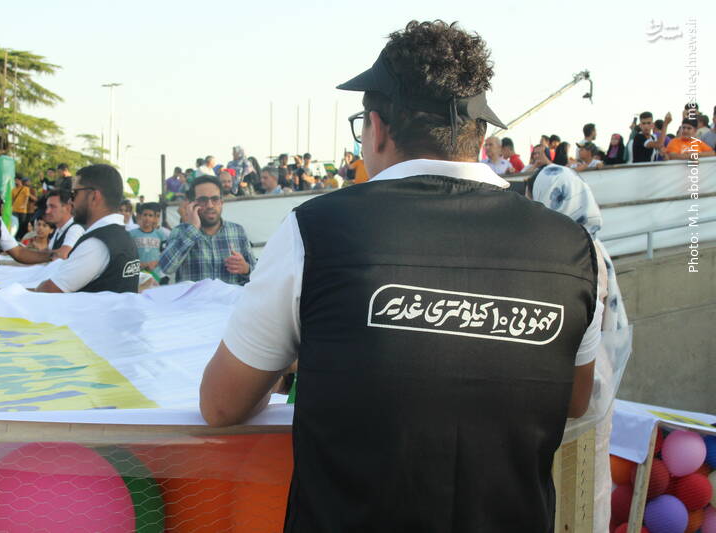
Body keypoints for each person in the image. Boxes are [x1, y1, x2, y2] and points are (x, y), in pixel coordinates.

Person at [199, 20, 601, 532]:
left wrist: (298, 366)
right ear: (480, 135)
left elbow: (221, 404)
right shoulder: (573, 248)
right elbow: (575, 398)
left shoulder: (316, 231)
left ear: (378, 128)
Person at [527, 165, 630, 533]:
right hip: (594, 380)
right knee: (588, 485)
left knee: (571, 490)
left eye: (533, 202)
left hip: (578, 381)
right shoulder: (593, 248)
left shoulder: (574, 257)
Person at [35, 164, 140, 293]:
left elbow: (49, 290)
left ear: (94, 196)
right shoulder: (122, 236)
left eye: (74, 194)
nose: (71, 202)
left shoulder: (97, 243)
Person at [157, 176, 255, 285]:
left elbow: (258, 274)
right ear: (192, 204)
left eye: (215, 199)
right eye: (203, 200)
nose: (210, 205)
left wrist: (246, 269)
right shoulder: (180, 232)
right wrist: (193, 229)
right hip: (194, 297)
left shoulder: (237, 232)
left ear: (221, 202)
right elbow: (166, 268)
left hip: (230, 296)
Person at [43, 188, 84, 259]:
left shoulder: (75, 229)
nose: (47, 211)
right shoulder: (59, 229)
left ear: (68, 208)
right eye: (48, 206)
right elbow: (49, 251)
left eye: (52, 206)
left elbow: (64, 254)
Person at [129, 202, 166, 272]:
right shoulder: (131, 234)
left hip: (156, 273)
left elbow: (165, 254)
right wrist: (139, 264)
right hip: (138, 272)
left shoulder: (160, 234)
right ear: (140, 216)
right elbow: (128, 254)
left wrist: (156, 263)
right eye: (145, 215)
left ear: (154, 218)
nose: (147, 218)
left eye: (150, 215)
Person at [11, 175, 35, 240]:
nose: (15, 182)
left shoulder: (26, 189)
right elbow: (12, 200)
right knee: (14, 224)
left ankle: (20, 238)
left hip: (22, 211)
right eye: (15, 180)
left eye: (17, 180)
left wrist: (24, 205)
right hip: (14, 210)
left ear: (20, 181)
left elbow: (26, 198)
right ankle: (14, 237)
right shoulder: (13, 190)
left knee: (21, 225)